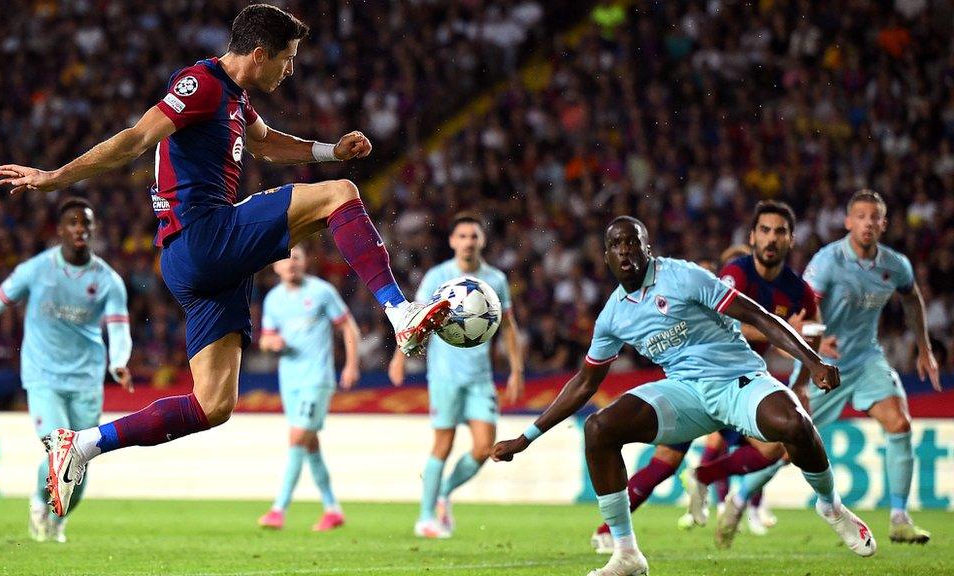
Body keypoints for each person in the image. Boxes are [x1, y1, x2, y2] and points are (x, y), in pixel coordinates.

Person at [0, 4, 450, 517]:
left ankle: (80, 445)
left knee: (212, 405)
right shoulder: (202, 83)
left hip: (201, 262)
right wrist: (56, 177)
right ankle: (399, 313)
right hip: (202, 236)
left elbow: (269, 146)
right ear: (260, 55)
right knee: (339, 196)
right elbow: (136, 138)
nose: (291, 69)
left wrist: (329, 150)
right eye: (288, 59)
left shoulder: (235, 98)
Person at [492, 216, 876, 576]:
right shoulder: (612, 316)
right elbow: (584, 382)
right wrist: (526, 438)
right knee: (599, 428)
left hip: (737, 379)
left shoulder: (683, 276)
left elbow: (759, 316)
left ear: (648, 249)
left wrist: (812, 360)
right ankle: (626, 553)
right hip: (685, 392)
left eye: (632, 242)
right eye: (615, 244)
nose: (625, 250)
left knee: (794, 422)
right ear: (606, 256)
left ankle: (832, 507)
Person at [591, 201, 819, 552]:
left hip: (739, 382)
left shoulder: (783, 290)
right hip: (702, 383)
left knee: (768, 448)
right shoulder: (724, 283)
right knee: (673, 461)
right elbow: (742, 324)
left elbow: (772, 333)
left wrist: (801, 354)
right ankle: (618, 526)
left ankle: (719, 492)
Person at [721, 190, 942, 547]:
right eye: (861, 216)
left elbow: (912, 297)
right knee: (787, 450)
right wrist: (816, 344)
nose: (868, 222)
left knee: (899, 423)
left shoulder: (895, 264)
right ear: (848, 222)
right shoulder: (827, 262)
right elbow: (807, 310)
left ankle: (900, 518)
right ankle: (740, 496)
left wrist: (924, 347)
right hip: (822, 366)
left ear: (884, 224)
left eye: (875, 217)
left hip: (866, 359)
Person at [0, 198, 132, 542]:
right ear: (60, 230)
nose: (80, 229)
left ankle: (58, 518)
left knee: (80, 463)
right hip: (43, 375)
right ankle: (37, 502)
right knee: (59, 448)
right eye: (73, 223)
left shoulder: (108, 280)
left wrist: (119, 361)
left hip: (87, 378)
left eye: (86, 223)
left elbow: (119, 327)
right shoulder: (36, 270)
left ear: (93, 230)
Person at [389, 213, 525, 538]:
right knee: (443, 444)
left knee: (483, 448)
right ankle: (425, 517)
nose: (468, 242)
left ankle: (443, 494)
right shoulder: (438, 276)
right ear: (452, 241)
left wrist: (517, 369)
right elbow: (416, 318)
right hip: (444, 375)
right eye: (462, 236)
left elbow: (508, 326)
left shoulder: (496, 280)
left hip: (480, 376)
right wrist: (399, 357)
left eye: (473, 236)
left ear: (482, 241)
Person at [256, 246, 359, 531]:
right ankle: (332, 509)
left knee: (297, 439)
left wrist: (351, 364)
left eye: (297, 258)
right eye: (285, 259)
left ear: (305, 262)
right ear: (275, 267)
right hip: (289, 381)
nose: (291, 264)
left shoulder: (322, 291)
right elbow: (265, 338)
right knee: (310, 446)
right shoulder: (273, 300)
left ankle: (279, 509)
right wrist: (271, 344)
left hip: (317, 379)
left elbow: (349, 328)